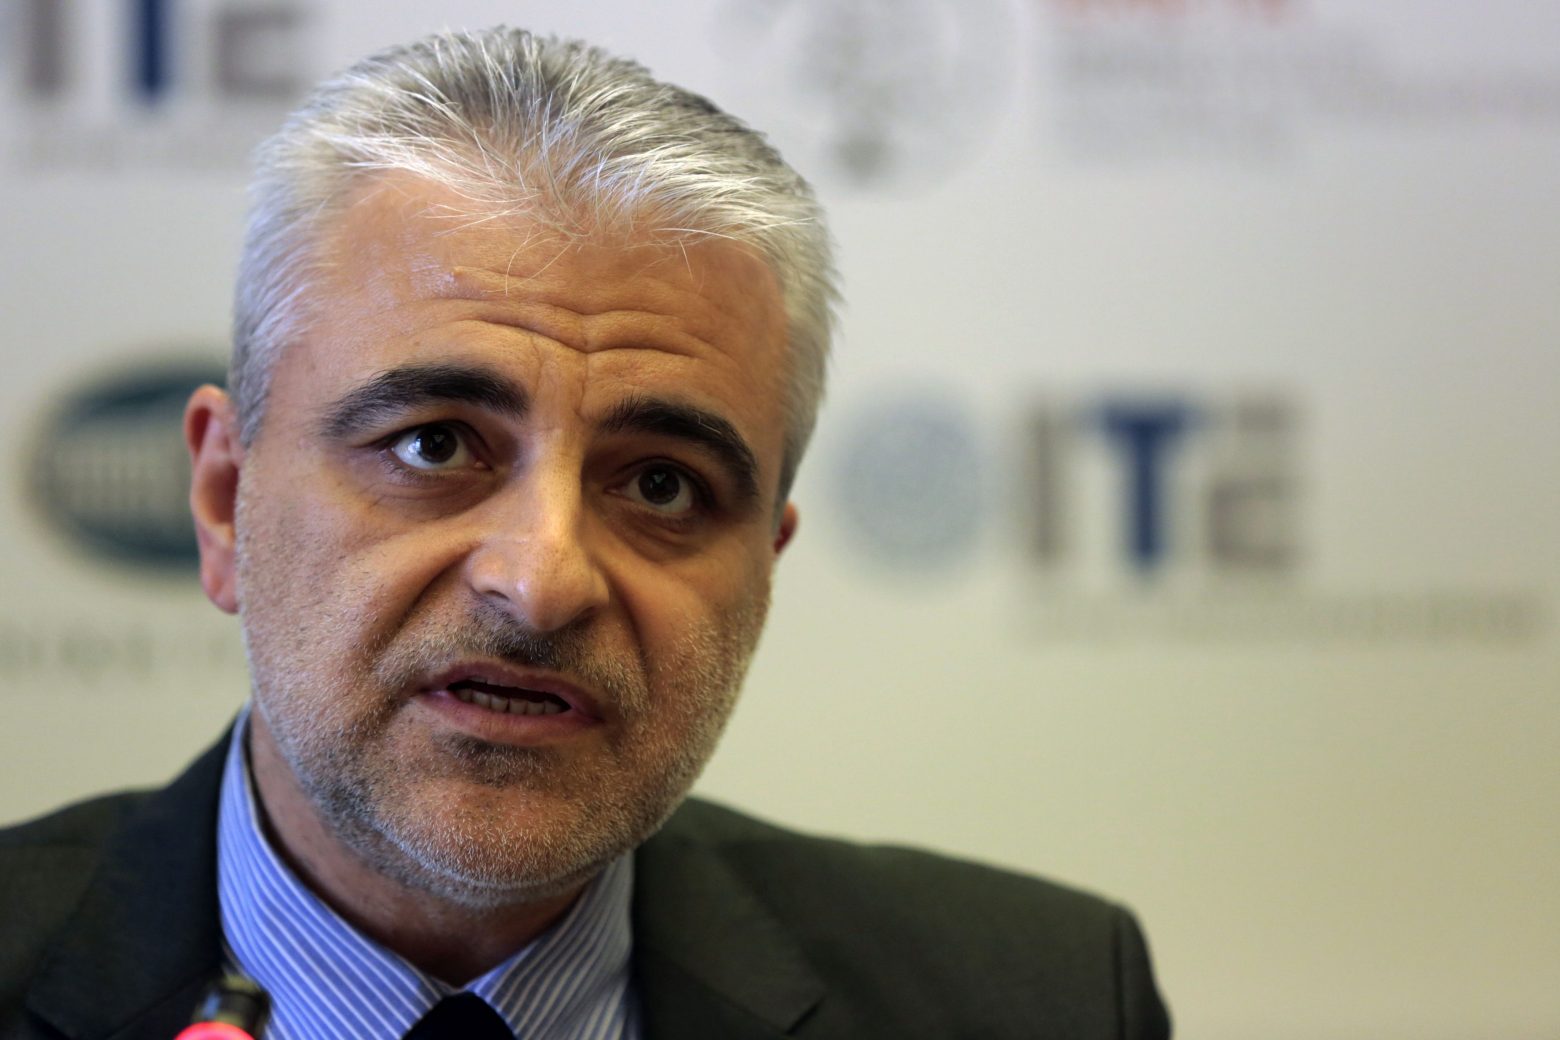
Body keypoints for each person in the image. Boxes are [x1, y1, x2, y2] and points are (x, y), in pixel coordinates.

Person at [0, 26, 1170, 1040]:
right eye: (434, 445)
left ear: (763, 573)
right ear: (224, 498)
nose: (542, 578)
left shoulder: (1043, 997)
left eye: (661, 484)